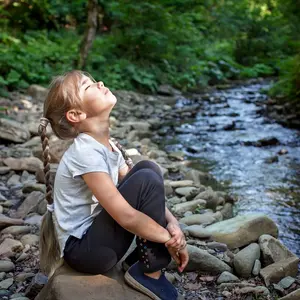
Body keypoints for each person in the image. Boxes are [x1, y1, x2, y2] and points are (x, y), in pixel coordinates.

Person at [38, 70, 189, 300]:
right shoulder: (85, 152)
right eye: (89, 87)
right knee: (147, 177)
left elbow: (140, 191)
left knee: (147, 168)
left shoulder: (108, 146)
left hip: (98, 240)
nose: (100, 82)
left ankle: (142, 258)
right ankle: (151, 272)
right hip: (85, 253)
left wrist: (172, 224)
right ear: (76, 114)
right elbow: (126, 216)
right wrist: (169, 240)